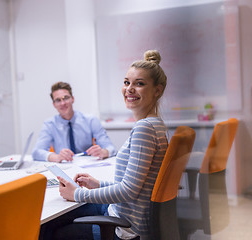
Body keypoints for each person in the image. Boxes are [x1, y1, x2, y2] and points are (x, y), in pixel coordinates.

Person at [49, 50, 169, 240]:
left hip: (126, 228)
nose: (129, 89)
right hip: (125, 214)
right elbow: (136, 185)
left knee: (50, 229)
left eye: (139, 83)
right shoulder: (155, 124)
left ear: (157, 90)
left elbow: (129, 190)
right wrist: (96, 184)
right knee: (64, 215)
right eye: (126, 82)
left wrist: (78, 194)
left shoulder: (144, 129)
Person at [32, 81, 116, 162]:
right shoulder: (49, 124)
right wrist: (57, 157)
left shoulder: (91, 120)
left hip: (88, 166)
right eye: (58, 100)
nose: (62, 103)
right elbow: (36, 152)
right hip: (64, 166)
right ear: (54, 104)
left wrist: (104, 152)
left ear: (72, 99)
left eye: (66, 98)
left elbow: (111, 148)